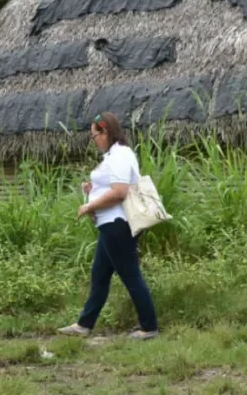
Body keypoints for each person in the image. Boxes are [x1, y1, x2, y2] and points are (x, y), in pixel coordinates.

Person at [59, 112, 159, 340]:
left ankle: (149, 326)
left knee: (130, 274)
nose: (93, 140)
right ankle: (85, 323)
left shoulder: (119, 155)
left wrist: (89, 206)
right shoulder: (113, 155)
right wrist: (91, 189)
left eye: (94, 135)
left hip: (118, 224)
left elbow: (120, 191)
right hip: (109, 225)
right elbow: (111, 186)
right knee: (100, 275)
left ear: (105, 132)